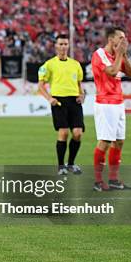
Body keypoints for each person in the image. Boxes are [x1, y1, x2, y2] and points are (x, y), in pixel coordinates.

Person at [91, 27, 131, 191]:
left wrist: (124, 55)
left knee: (119, 142)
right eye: (121, 38)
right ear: (111, 40)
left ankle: (114, 180)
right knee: (105, 142)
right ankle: (97, 181)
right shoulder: (99, 54)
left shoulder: (119, 55)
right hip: (105, 103)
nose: (124, 40)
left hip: (118, 102)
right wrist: (119, 55)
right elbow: (112, 71)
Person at [38, 35, 85, 175]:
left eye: (66, 44)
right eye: (61, 44)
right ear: (56, 46)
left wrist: (81, 95)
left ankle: (70, 164)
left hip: (74, 102)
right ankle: (61, 166)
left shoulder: (75, 64)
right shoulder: (49, 64)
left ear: (68, 46)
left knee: (77, 133)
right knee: (63, 133)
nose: (63, 46)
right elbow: (40, 86)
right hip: (58, 101)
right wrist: (49, 98)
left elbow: (78, 84)